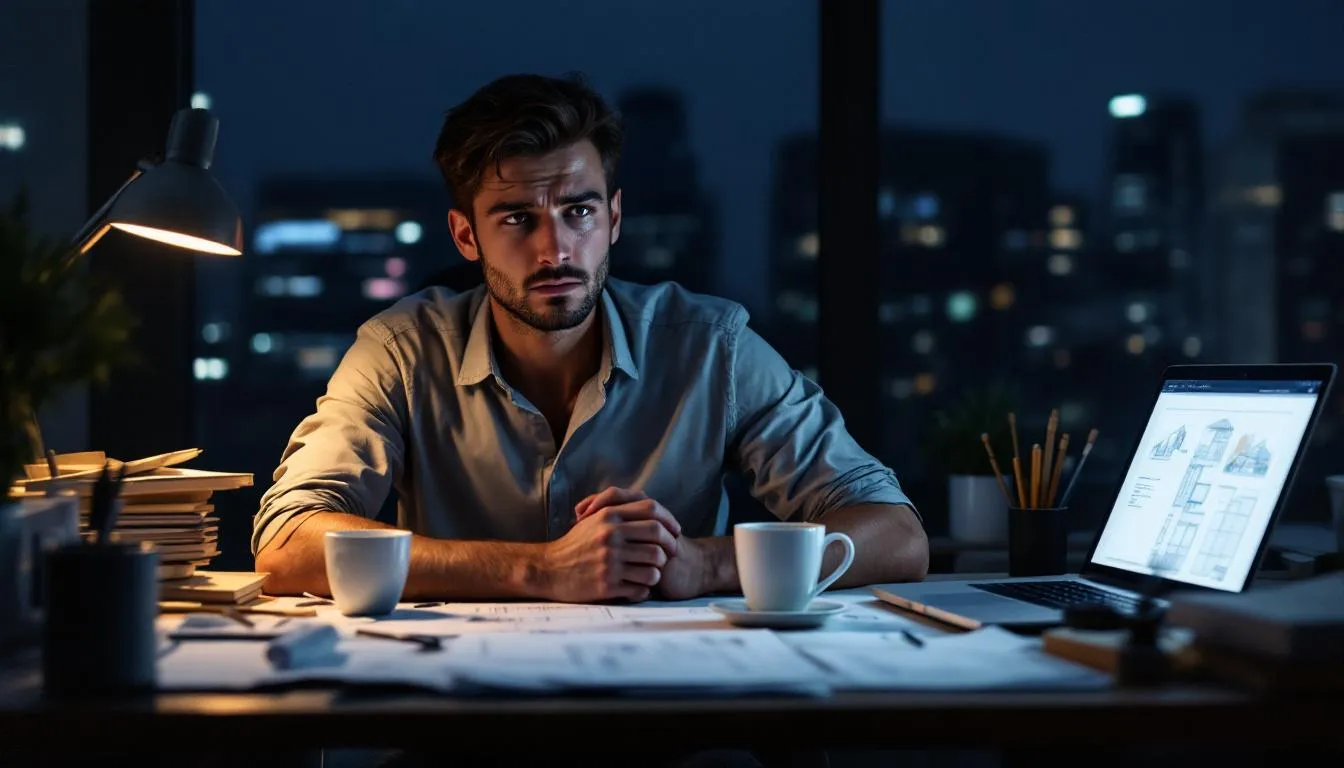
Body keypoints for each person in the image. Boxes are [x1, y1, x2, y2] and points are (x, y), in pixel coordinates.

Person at [252, 72, 928, 602]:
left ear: (613, 217)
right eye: (517, 219)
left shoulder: (710, 346)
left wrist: (704, 564)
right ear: (466, 235)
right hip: (461, 717)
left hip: (671, 717)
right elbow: (287, 542)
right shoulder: (400, 350)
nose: (555, 250)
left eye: (578, 211)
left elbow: (896, 535)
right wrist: (542, 570)